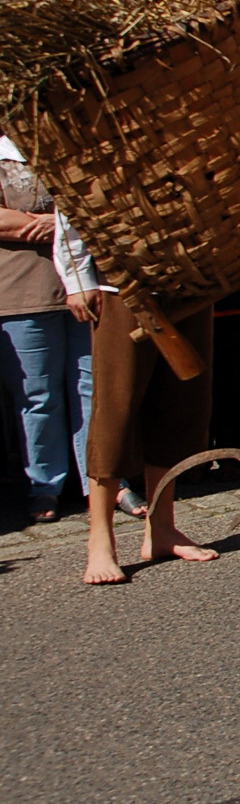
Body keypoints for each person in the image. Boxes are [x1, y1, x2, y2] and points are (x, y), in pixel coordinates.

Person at [57, 214, 216, 585]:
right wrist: (77, 278)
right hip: (119, 285)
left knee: (181, 406)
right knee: (116, 411)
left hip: (189, 280)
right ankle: (100, 539)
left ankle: (162, 529)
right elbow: (72, 204)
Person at [0, 137, 91, 524]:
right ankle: (45, 484)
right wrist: (61, 224)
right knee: (38, 396)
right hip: (21, 290)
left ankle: (101, 480)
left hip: (83, 285)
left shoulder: (60, 142)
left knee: (91, 388)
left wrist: (58, 224)